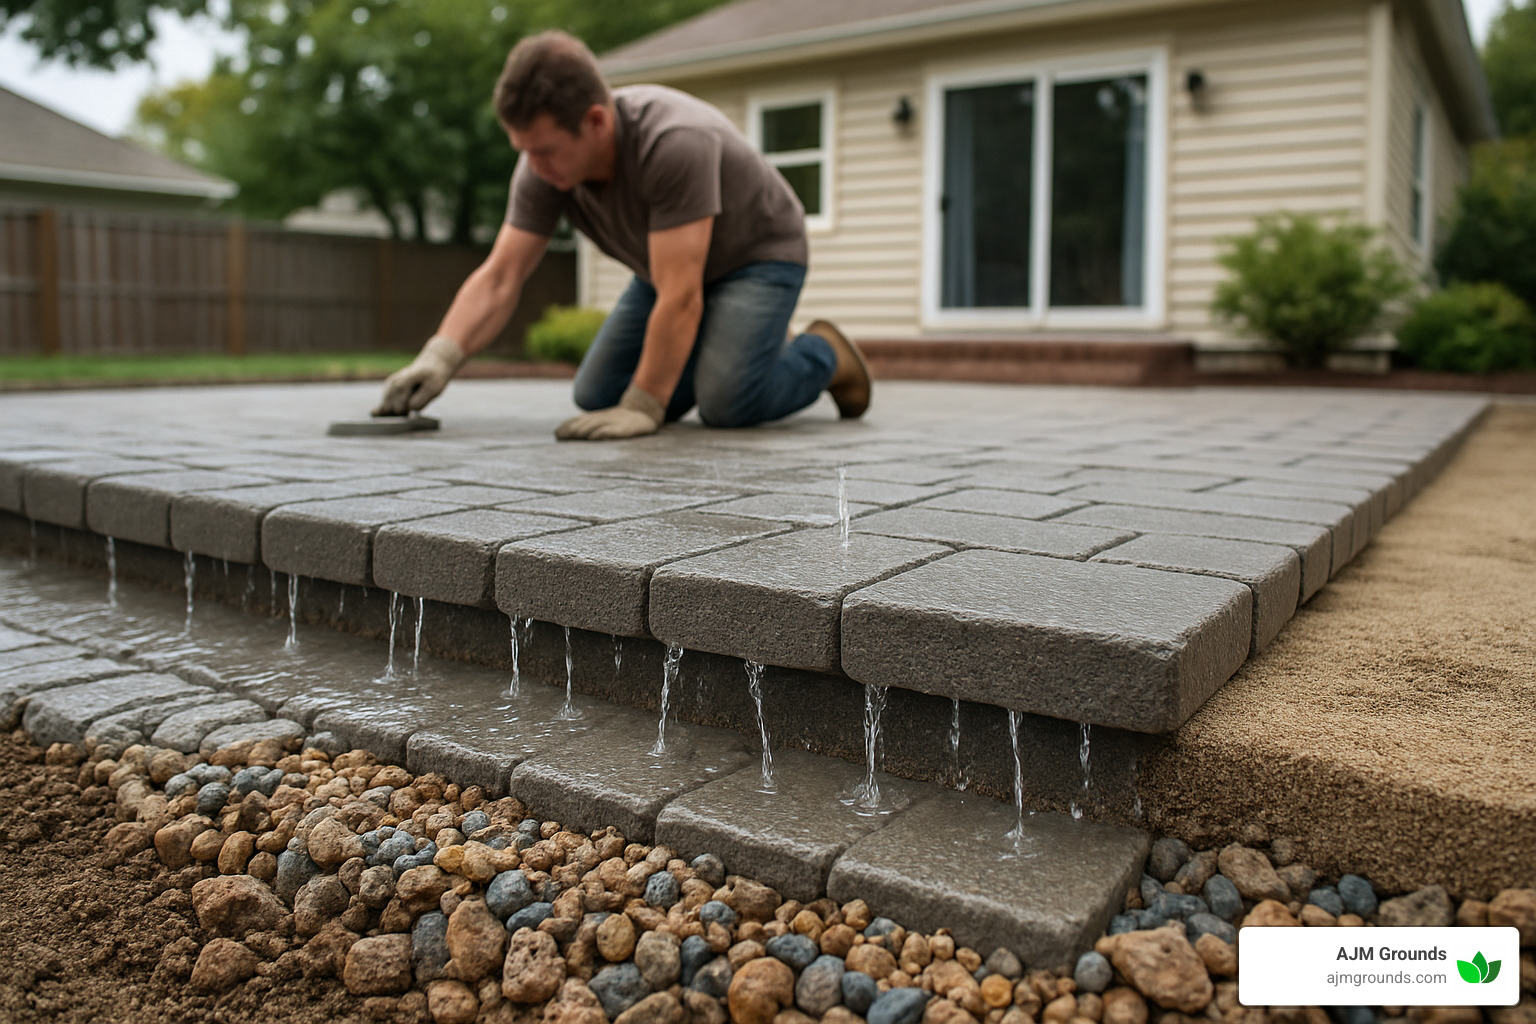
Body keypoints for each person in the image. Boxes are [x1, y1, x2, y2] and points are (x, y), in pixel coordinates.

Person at [373, 30, 871, 440]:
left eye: (544, 150)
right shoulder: (543, 170)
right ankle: (743, 343)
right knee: (597, 396)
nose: (534, 166)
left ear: (595, 121)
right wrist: (440, 357)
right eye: (524, 150)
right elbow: (502, 275)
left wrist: (646, 405)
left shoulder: (673, 142)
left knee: (727, 404)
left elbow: (680, 296)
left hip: (757, 256)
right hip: (669, 270)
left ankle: (823, 356)